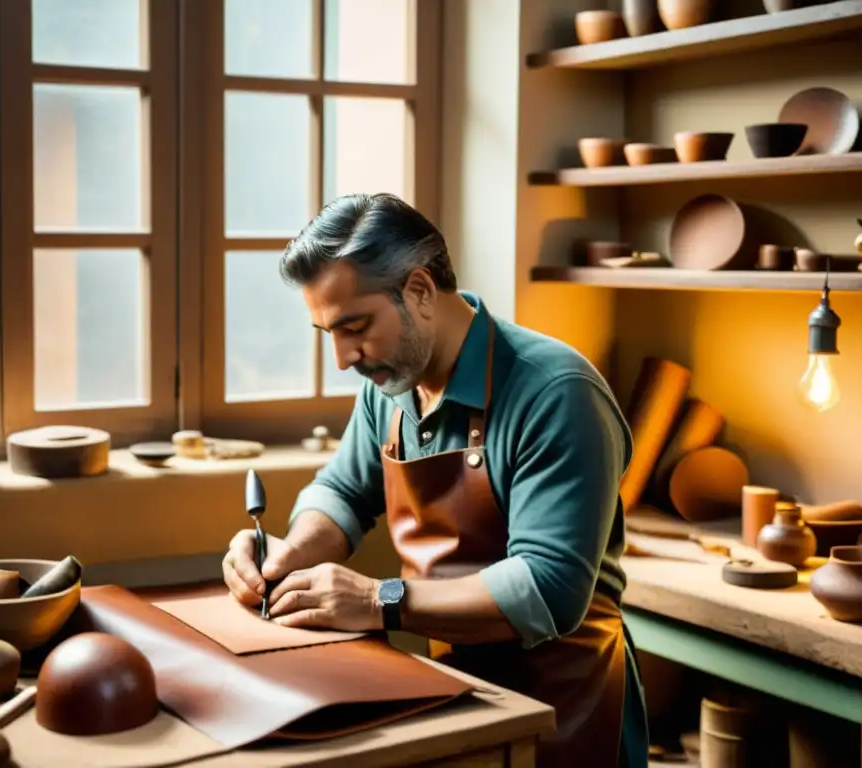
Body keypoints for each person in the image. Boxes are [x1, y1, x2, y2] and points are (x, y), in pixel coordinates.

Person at [222, 192, 649, 767]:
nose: (343, 358)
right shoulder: (391, 384)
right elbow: (344, 492)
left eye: (355, 326)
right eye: (328, 332)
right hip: (453, 688)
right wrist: (288, 553)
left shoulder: (556, 394)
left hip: (563, 707)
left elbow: (549, 589)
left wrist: (377, 600)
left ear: (420, 291)